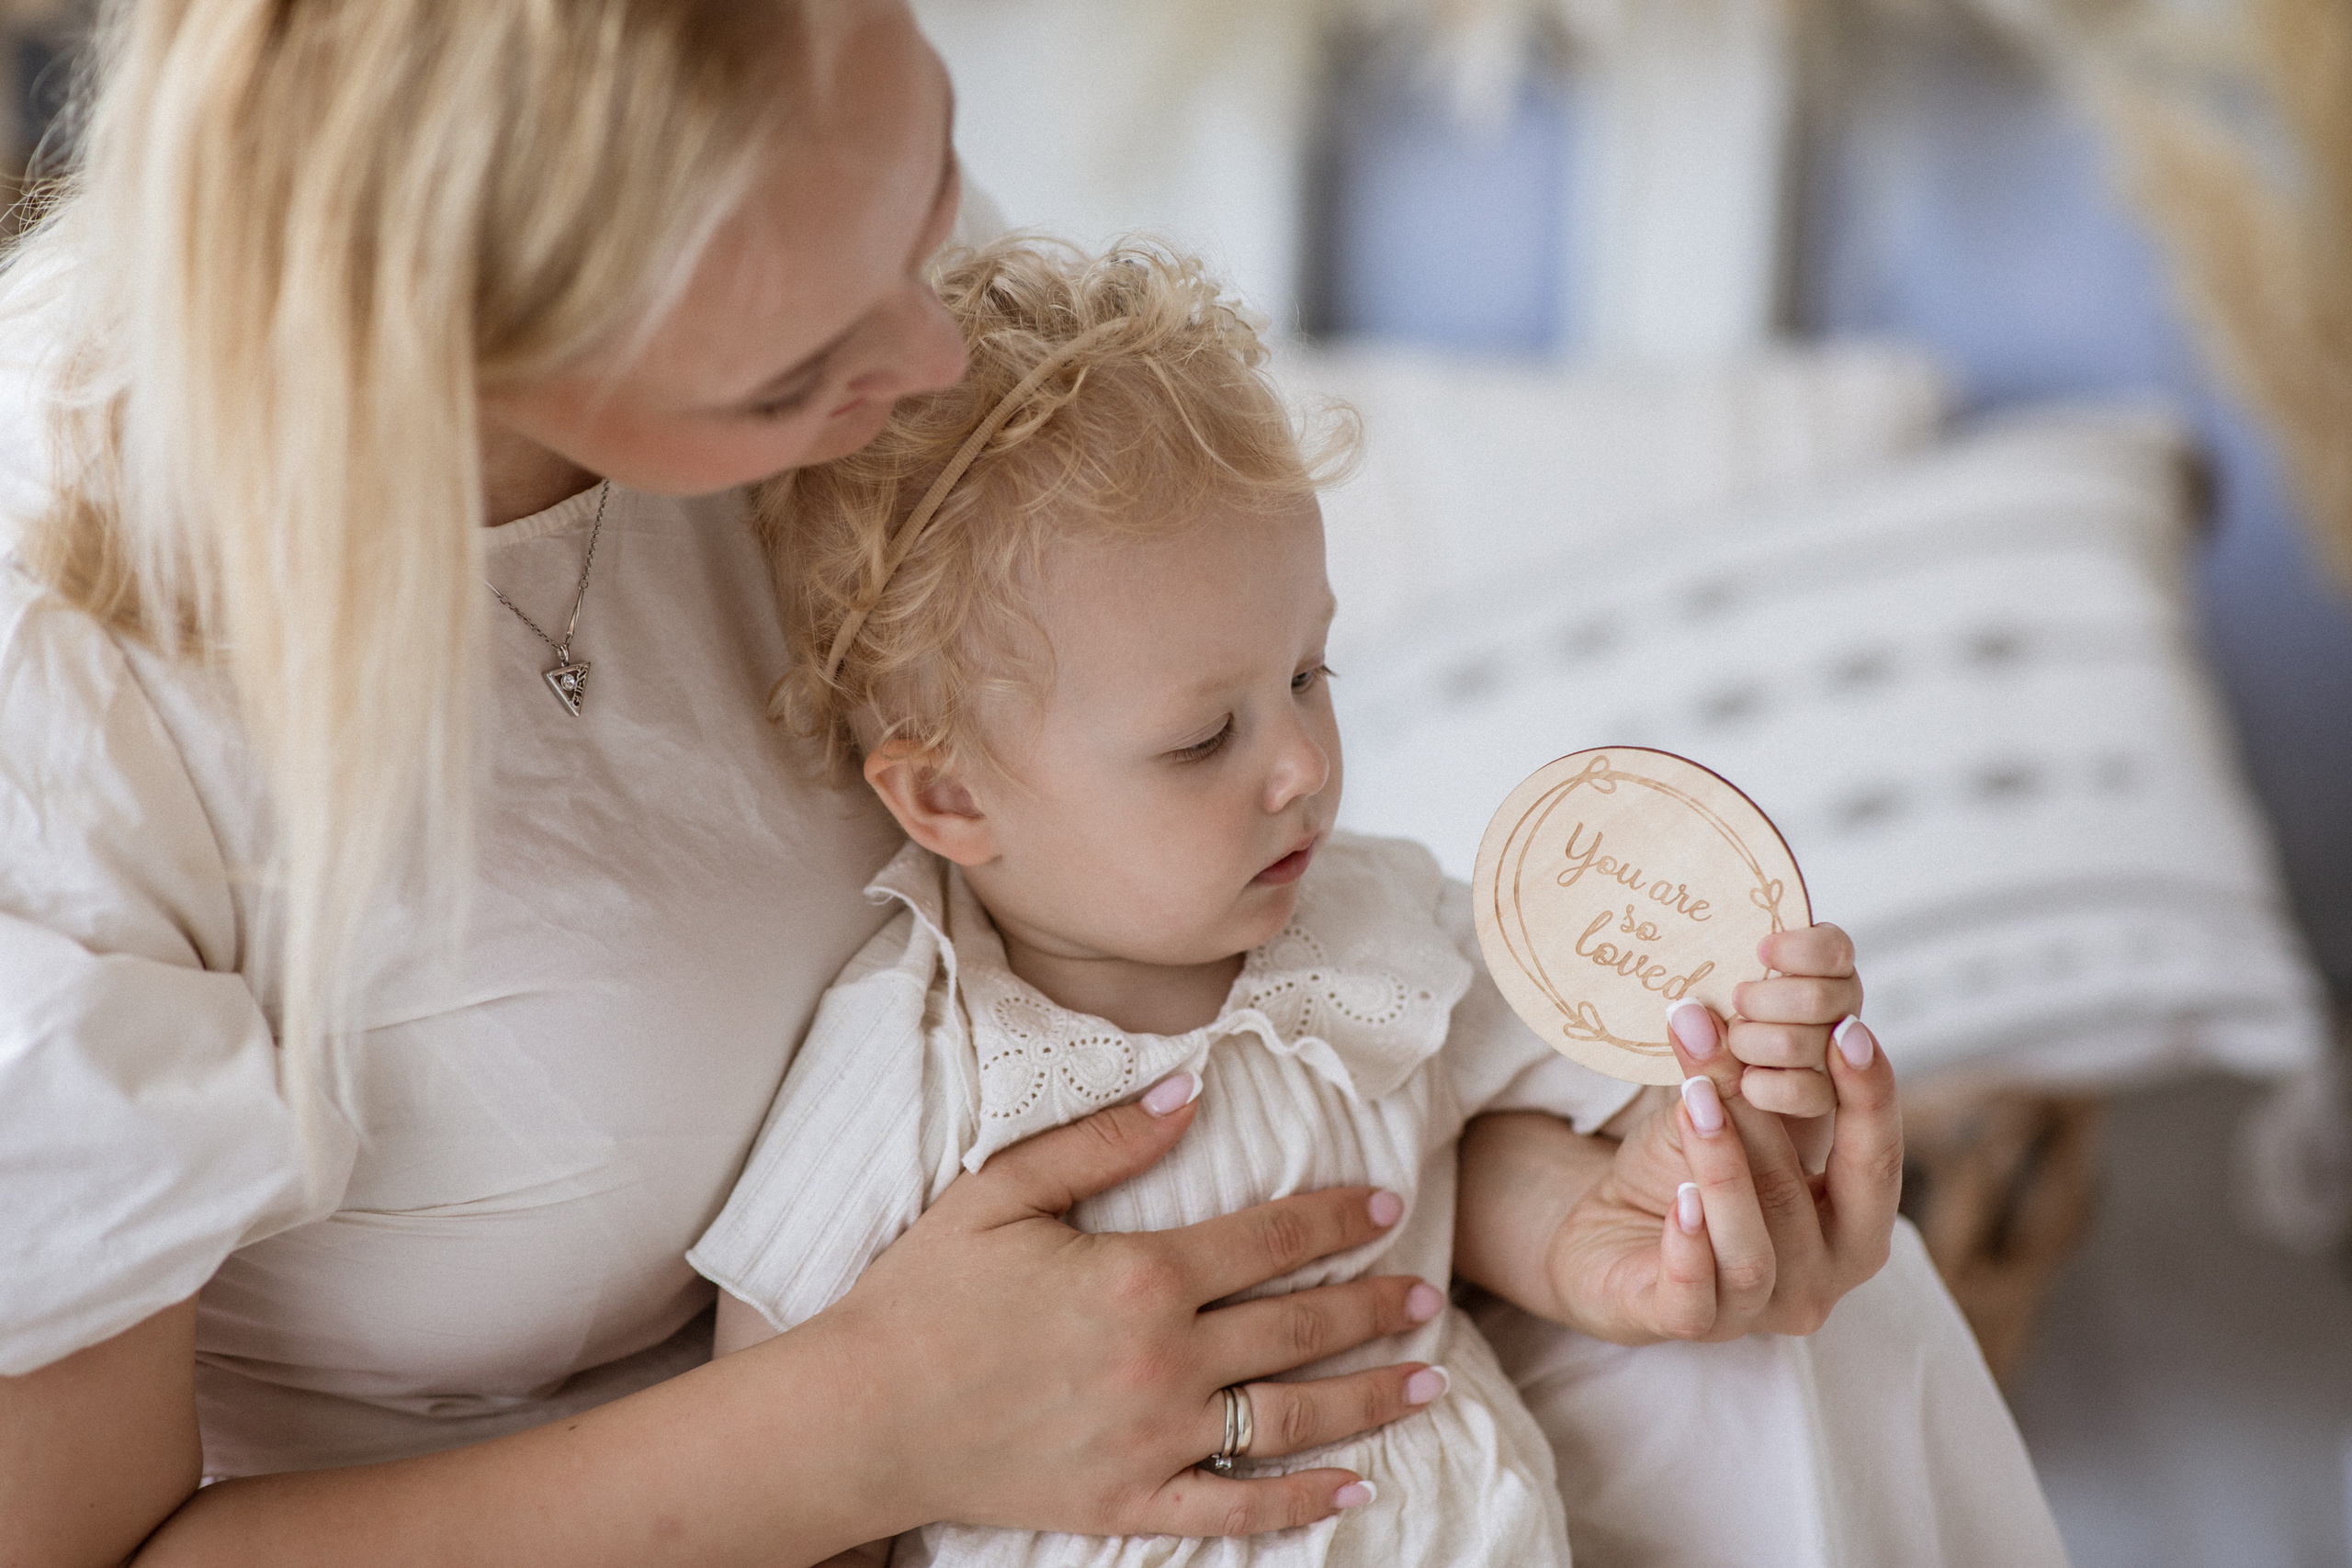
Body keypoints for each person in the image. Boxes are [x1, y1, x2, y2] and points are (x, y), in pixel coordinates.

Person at [0, 3, 2035, 1566]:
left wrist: (1618, 1219)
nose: (935, 360)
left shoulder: (836, 245)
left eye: (925, 200)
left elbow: (1337, 1098)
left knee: (1798, 1333)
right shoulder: (65, 688)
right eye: (796, 373)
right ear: (464, 330)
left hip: (1165, 1375)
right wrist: (872, 1431)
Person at [686, 235, 1905, 1568]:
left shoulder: (1383, 931)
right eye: (1203, 739)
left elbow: (1496, 1153)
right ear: (949, 799)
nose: (1307, 766)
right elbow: (789, 1463)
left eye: (1310, 675)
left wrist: (1723, 1114)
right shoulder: (915, 1063)